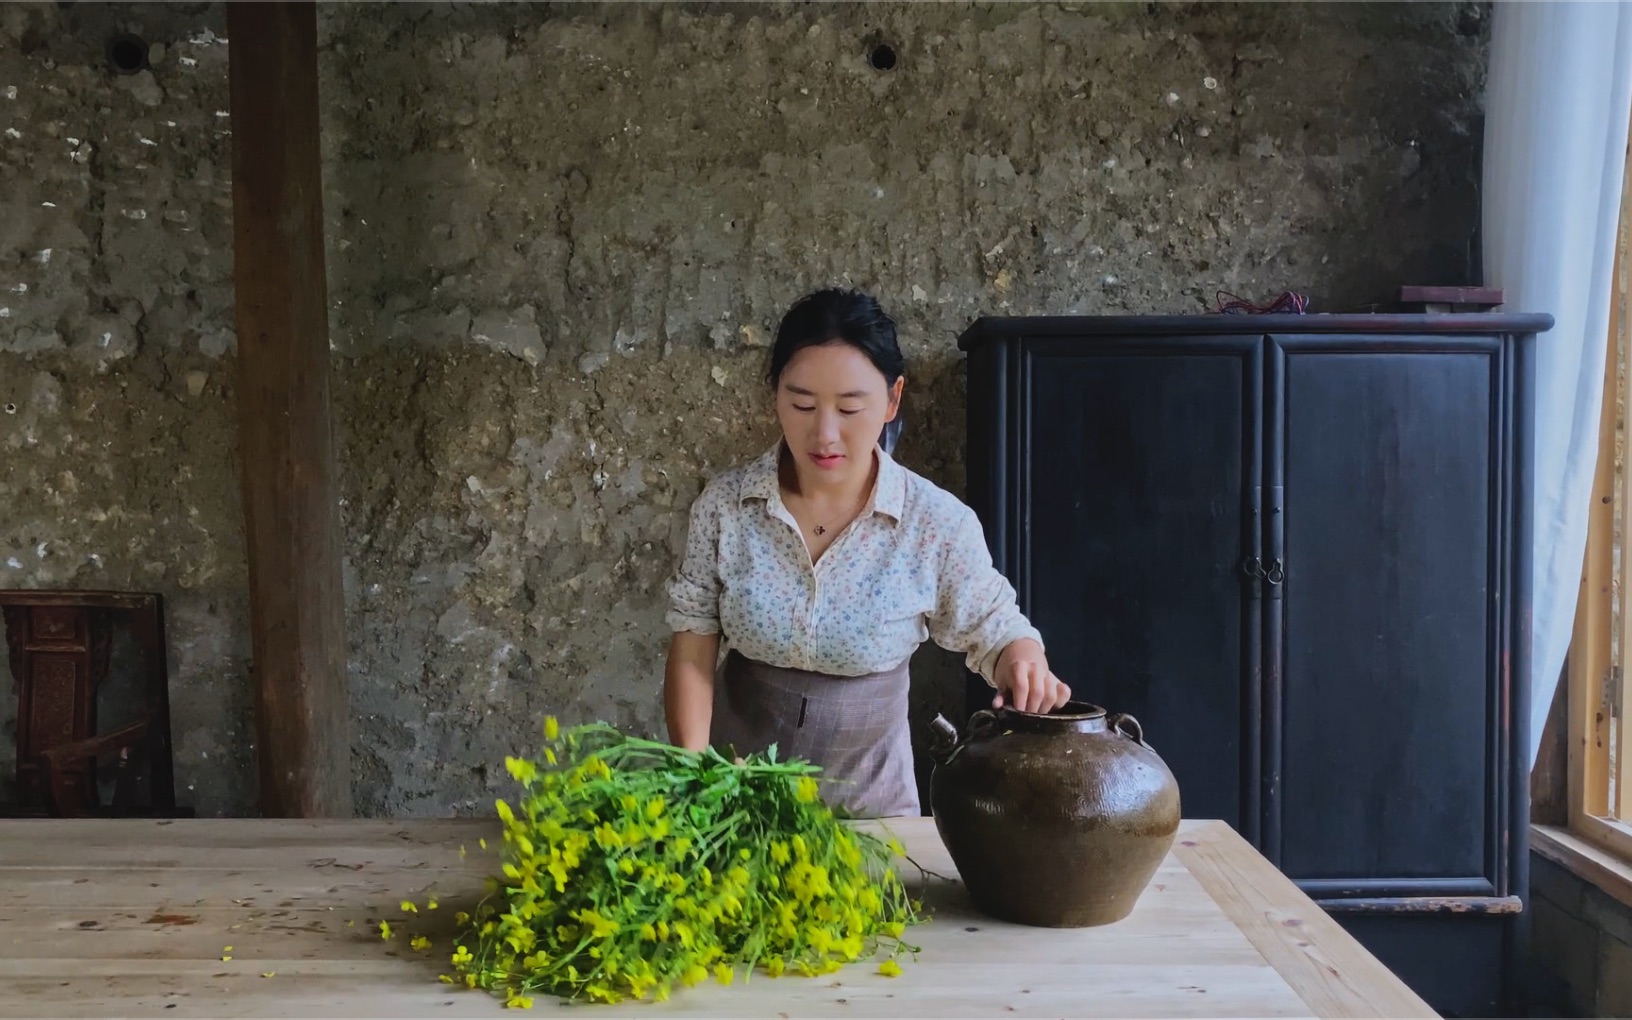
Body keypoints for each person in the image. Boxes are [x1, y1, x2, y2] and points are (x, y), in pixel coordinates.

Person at [662, 287, 1069, 817]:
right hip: (732, 800)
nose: (824, 433)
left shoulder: (935, 523)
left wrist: (1023, 662)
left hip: (871, 811)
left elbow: (994, 627)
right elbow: (693, 644)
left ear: (893, 399)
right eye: (801, 403)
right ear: (775, 394)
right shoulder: (726, 508)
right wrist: (695, 775)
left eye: (850, 407)